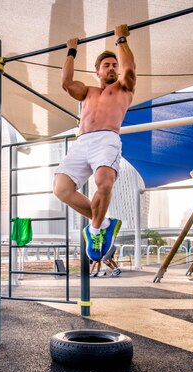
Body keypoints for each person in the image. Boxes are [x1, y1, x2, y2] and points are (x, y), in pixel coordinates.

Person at [53, 24, 136, 262]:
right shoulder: (87, 91)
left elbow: (129, 69)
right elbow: (67, 83)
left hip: (106, 138)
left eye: (114, 65)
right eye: (106, 65)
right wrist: (71, 51)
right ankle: (106, 222)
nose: (111, 68)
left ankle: (96, 229)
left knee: (104, 182)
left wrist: (120, 39)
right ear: (98, 71)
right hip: (82, 142)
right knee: (61, 188)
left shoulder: (123, 88)